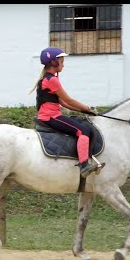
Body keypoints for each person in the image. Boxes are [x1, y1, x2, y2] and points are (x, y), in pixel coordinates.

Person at [29, 47, 100, 178]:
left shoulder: (48, 79)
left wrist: (83, 110)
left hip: (51, 115)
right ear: (54, 62)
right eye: (61, 60)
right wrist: (88, 108)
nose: (63, 64)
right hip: (51, 117)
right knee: (83, 131)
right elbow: (69, 100)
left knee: (80, 126)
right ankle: (84, 166)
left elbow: (63, 103)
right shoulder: (52, 80)